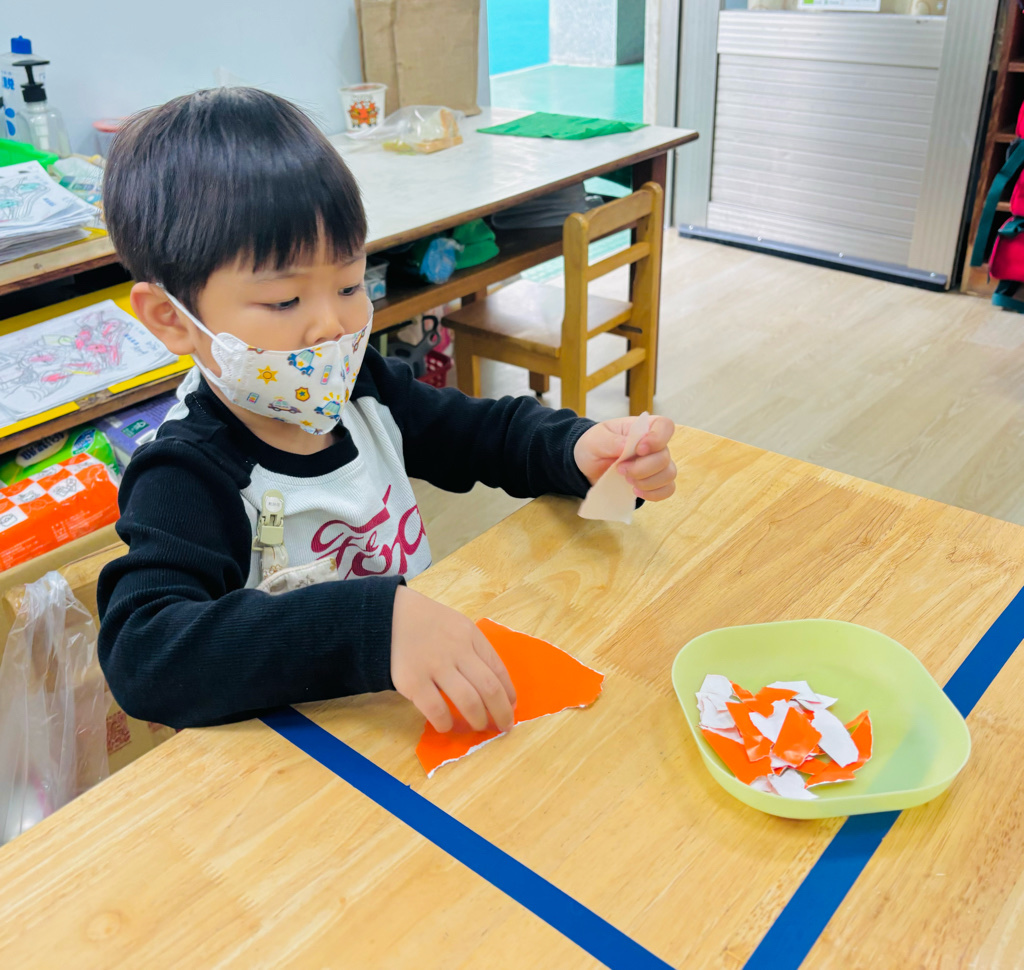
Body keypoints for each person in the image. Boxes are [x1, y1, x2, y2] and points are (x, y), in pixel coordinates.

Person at [96, 86, 678, 733]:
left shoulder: (361, 389)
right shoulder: (187, 471)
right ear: (170, 318)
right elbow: (143, 654)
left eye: (350, 284)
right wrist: (374, 625)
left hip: (405, 717)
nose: (333, 325)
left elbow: (478, 433)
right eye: (285, 301)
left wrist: (574, 451)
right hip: (301, 756)